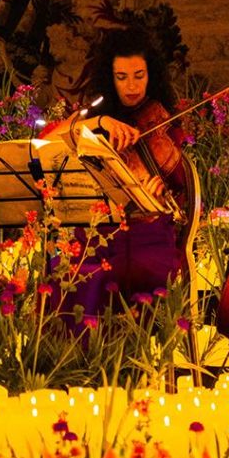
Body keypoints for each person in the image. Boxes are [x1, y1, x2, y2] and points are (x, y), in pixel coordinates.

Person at [40, 30, 191, 319]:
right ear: (110, 78)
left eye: (139, 75)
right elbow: (47, 144)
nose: (132, 86)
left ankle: (123, 354)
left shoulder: (164, 119)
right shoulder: (95, 117)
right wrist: (99, 122)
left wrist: (158, 193)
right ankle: (75, 357)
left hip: (148, 231)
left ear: (152, 75)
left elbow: (179, 194)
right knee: (68, 270)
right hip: (98, 230)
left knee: (129, 269)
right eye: (122, 77)